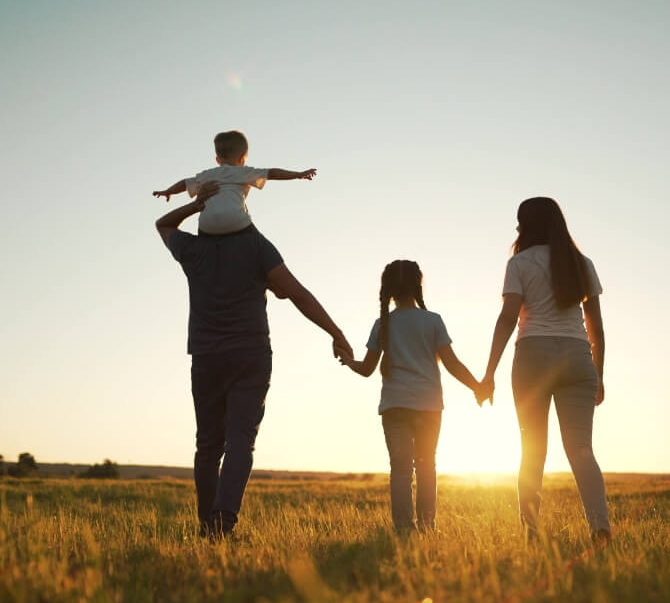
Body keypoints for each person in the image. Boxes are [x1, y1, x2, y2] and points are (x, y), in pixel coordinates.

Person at [155, 181, 352, 538]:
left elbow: (164, 225)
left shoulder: (193, 249)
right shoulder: (256, 245)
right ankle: (223, 521)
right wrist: (336, 333)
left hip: (206, 356)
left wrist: (196, 205)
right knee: (240, 441)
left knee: (208, 444)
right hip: (250, 355)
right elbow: (297, 293)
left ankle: (207, 525)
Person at [480, 197, 611, 543]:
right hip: (577, 356)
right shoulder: (582, 263)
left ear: (526, 225)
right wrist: (598, 372)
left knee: (532, 449)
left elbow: (509, 317)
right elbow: (595, 324)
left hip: (533, 356)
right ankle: (600, 528)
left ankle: (531, 534)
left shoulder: (520, 263)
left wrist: (489, 373)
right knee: (581, 449)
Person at [339, 260, 482, 532]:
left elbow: (368, 369)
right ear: (418, 285)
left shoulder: (383, 324)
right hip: (429, 407)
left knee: (401, 470)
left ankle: (404, 530)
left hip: (395, 407)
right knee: (427, 466)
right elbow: (452, 364)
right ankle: (427, 526)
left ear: (388, 290)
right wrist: (477, 386)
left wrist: (349, 361)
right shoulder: (433, 321)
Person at [152, 130, 316, 235]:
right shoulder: (243, 171)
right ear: (242, 159)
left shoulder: (207, 174)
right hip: (235, 220)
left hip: (208, 225)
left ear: (217, 159)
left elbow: (184, 183)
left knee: (205, 232)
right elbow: (272, 173)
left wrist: (168, 191)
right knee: (260, 243)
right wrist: (298, 174)